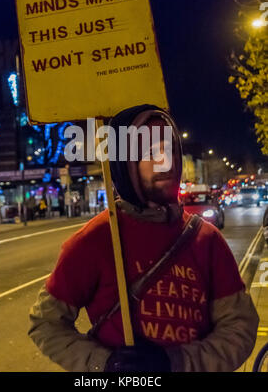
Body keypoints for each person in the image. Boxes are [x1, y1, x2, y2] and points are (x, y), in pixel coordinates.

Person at [28, 104, 259, 372]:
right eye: (150, 152)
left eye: (170, 150)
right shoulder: (97, 239)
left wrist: (177, 362)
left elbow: (239, 327)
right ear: (124, 165)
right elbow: (45, 323)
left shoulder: (207, 240)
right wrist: (104, 365)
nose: (166, 162)